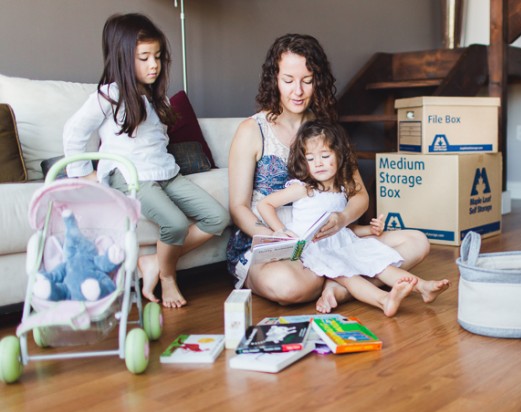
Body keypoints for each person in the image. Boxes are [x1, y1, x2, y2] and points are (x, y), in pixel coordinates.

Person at [226, 33, 431, 310]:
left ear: (318, 81)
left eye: (307, 81)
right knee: (288, 286)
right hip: (272, 244)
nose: (297, 91)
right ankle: (348, 282)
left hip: (330, 240)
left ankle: (338, 286)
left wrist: (342, 218)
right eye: (288, 80)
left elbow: (359, 196)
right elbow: (238, 207)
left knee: (416, 242)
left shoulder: (327, 132)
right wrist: (275, 236)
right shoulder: (252, 130)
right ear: (274, 79)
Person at [63, 13, 229, 308]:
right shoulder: (109, 96)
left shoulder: (156, 97)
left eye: (158, 57)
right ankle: (167, 278)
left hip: (165, 173)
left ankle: (154, 260)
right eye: (144, 58)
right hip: (131, 177)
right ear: (123, 59)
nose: (154, 64)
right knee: (175, 224)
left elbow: (157, 142)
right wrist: (82, 173)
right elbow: (74, 131)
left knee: (217, 217)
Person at [257, 120, 449, 316]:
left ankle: (423, 287)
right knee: (349, 275)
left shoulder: (342, 191)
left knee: (378, 263)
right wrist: (280, 231)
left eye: (325, 155)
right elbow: (265, 205)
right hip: (314, 248)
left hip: (342, 244)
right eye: (311, 159)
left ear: (339, 156)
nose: (319, 163)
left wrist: (370, 231)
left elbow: (344, 229)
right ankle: (383, 300)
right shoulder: (303, 188)